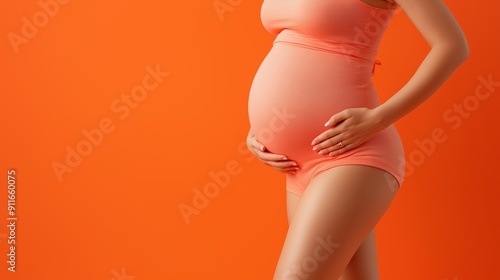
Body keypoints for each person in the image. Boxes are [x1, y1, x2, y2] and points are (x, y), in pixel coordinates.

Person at [245, 0, 469, 279]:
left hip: (352, 155)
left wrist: (379, 118)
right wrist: (261, 129)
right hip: (298, 167)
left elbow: (452, 46)